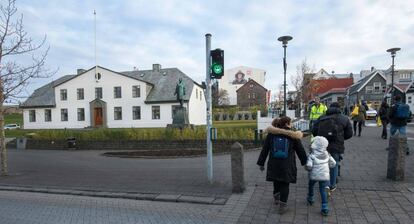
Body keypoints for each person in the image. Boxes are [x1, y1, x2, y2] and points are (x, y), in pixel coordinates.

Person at [257, 116, 307, 214]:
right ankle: (282, 206)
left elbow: (265, 150)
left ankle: (276, 197)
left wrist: (261, 163)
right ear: (287, 124)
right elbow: (300, 150)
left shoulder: (271, 134)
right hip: (287, 164)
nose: (291, 124)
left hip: (274, 163)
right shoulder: (293, 136)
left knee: (276, 180)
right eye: (290, 123)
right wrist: (305, 162)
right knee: (285, 183)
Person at [312, 102, 353, 194]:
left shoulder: (321, 117)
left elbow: (314, 130)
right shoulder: (344, 118)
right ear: (339, 108)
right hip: (336, 145)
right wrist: (341, 137)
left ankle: (325, 183)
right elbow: (349, 133)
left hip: (322, 145)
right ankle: (332, 185)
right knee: (334, 164)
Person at [305, 136, 336, 216]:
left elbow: (309, 166)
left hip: (314, 175)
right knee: (322, 190)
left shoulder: (311, 155)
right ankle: (324, 207)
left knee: (311, 185)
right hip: (324, 176)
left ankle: (311, 197)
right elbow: (334, 163)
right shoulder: (327, 154)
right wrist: (328, 167)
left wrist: (307, 168)